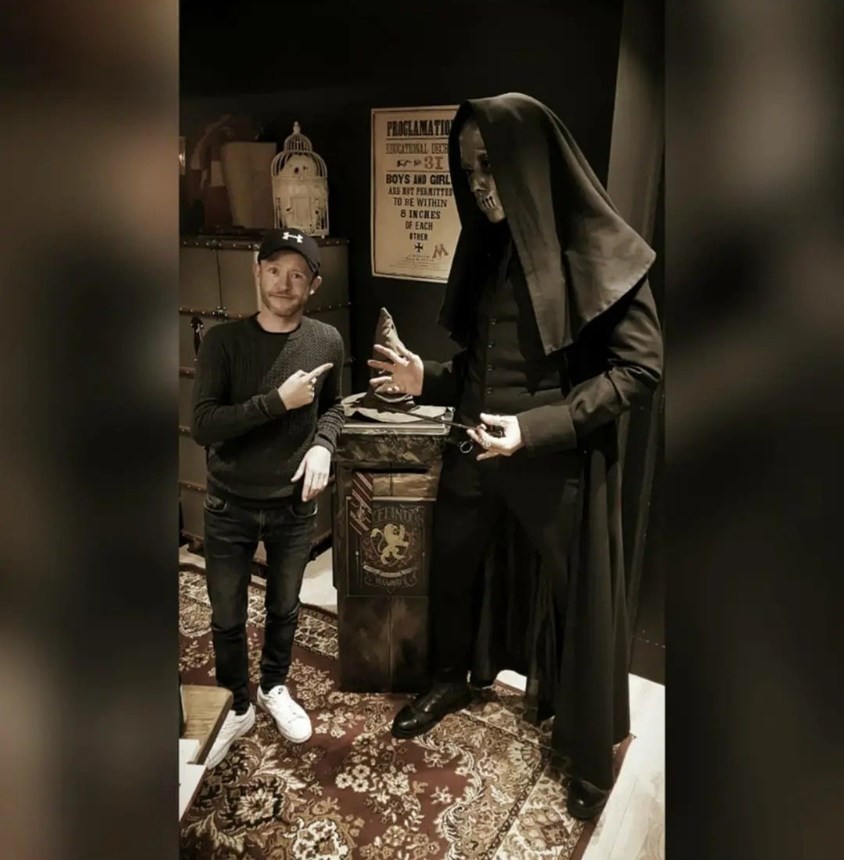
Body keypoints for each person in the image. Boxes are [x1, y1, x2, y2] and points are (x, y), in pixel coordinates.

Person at [368, 93, 663, 819]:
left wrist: (536, 430)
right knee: (451, 569)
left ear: (528, 165)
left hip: (551, 463)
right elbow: (479, 364)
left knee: (576, 601)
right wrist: (425, 378)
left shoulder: (600, 247)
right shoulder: (488, 247)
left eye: (490, 166)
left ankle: (588, 752)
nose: (478, 185)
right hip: (473, 447)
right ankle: (449, 678)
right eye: (468, 170)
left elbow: (639, 369)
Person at [191, 228, 345, 768]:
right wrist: (276, 402)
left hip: (293, 505)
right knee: (226, 613)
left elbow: (334, 406)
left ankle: (273, 685)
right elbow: (204, 425)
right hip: (228, 504)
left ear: (314, 284)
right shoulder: (223, 342)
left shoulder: (327, 341)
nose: (284, 283)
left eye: (297, 273)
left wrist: (324, 445)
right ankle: (236, 704)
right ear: (257, 272)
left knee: (284, 605)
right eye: (274, 269)